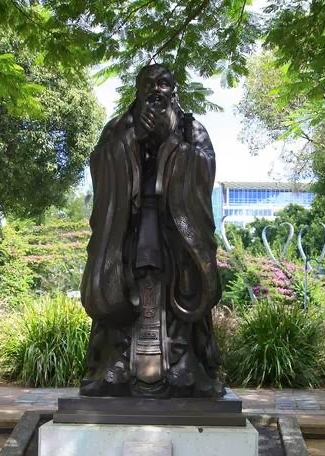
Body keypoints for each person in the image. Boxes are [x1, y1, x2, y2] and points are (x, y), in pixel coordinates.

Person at [80, 63, 223, 398]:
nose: (156, 90)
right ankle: (117, 363)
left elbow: (206, 167)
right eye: (149, 84)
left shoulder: (190, 128)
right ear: (138, 89)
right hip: (128, 228)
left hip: (174, 228)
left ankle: (183, 364)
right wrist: (134, 140)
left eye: (164, 83)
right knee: (120, 283)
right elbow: (100, 163)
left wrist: (172, 144)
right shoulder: (120, 126)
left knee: (182, 283)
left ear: (174, 90)